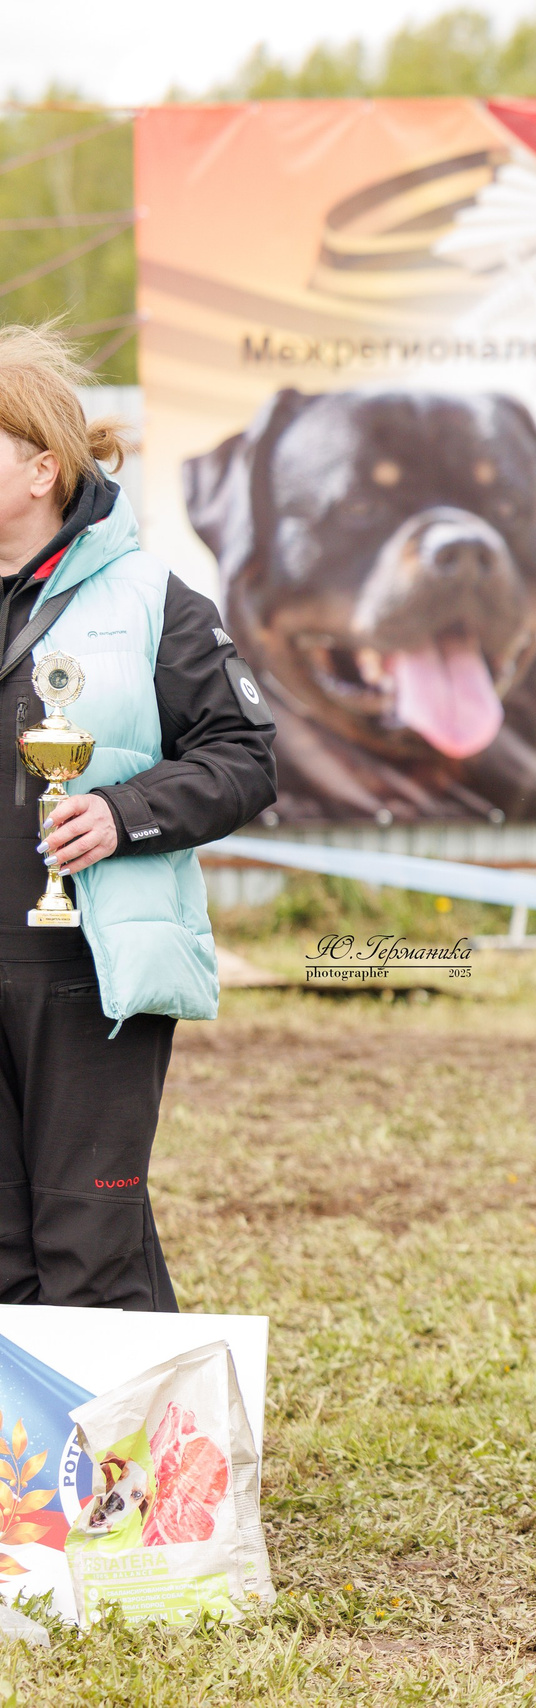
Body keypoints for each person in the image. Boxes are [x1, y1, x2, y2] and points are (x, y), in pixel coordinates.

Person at [0, 323, 276, 1311]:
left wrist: (124, 813)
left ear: (43, 468)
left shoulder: (154, 598)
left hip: (90, 971)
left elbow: (245, 760)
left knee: (89, 1246)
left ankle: (121, 1423)